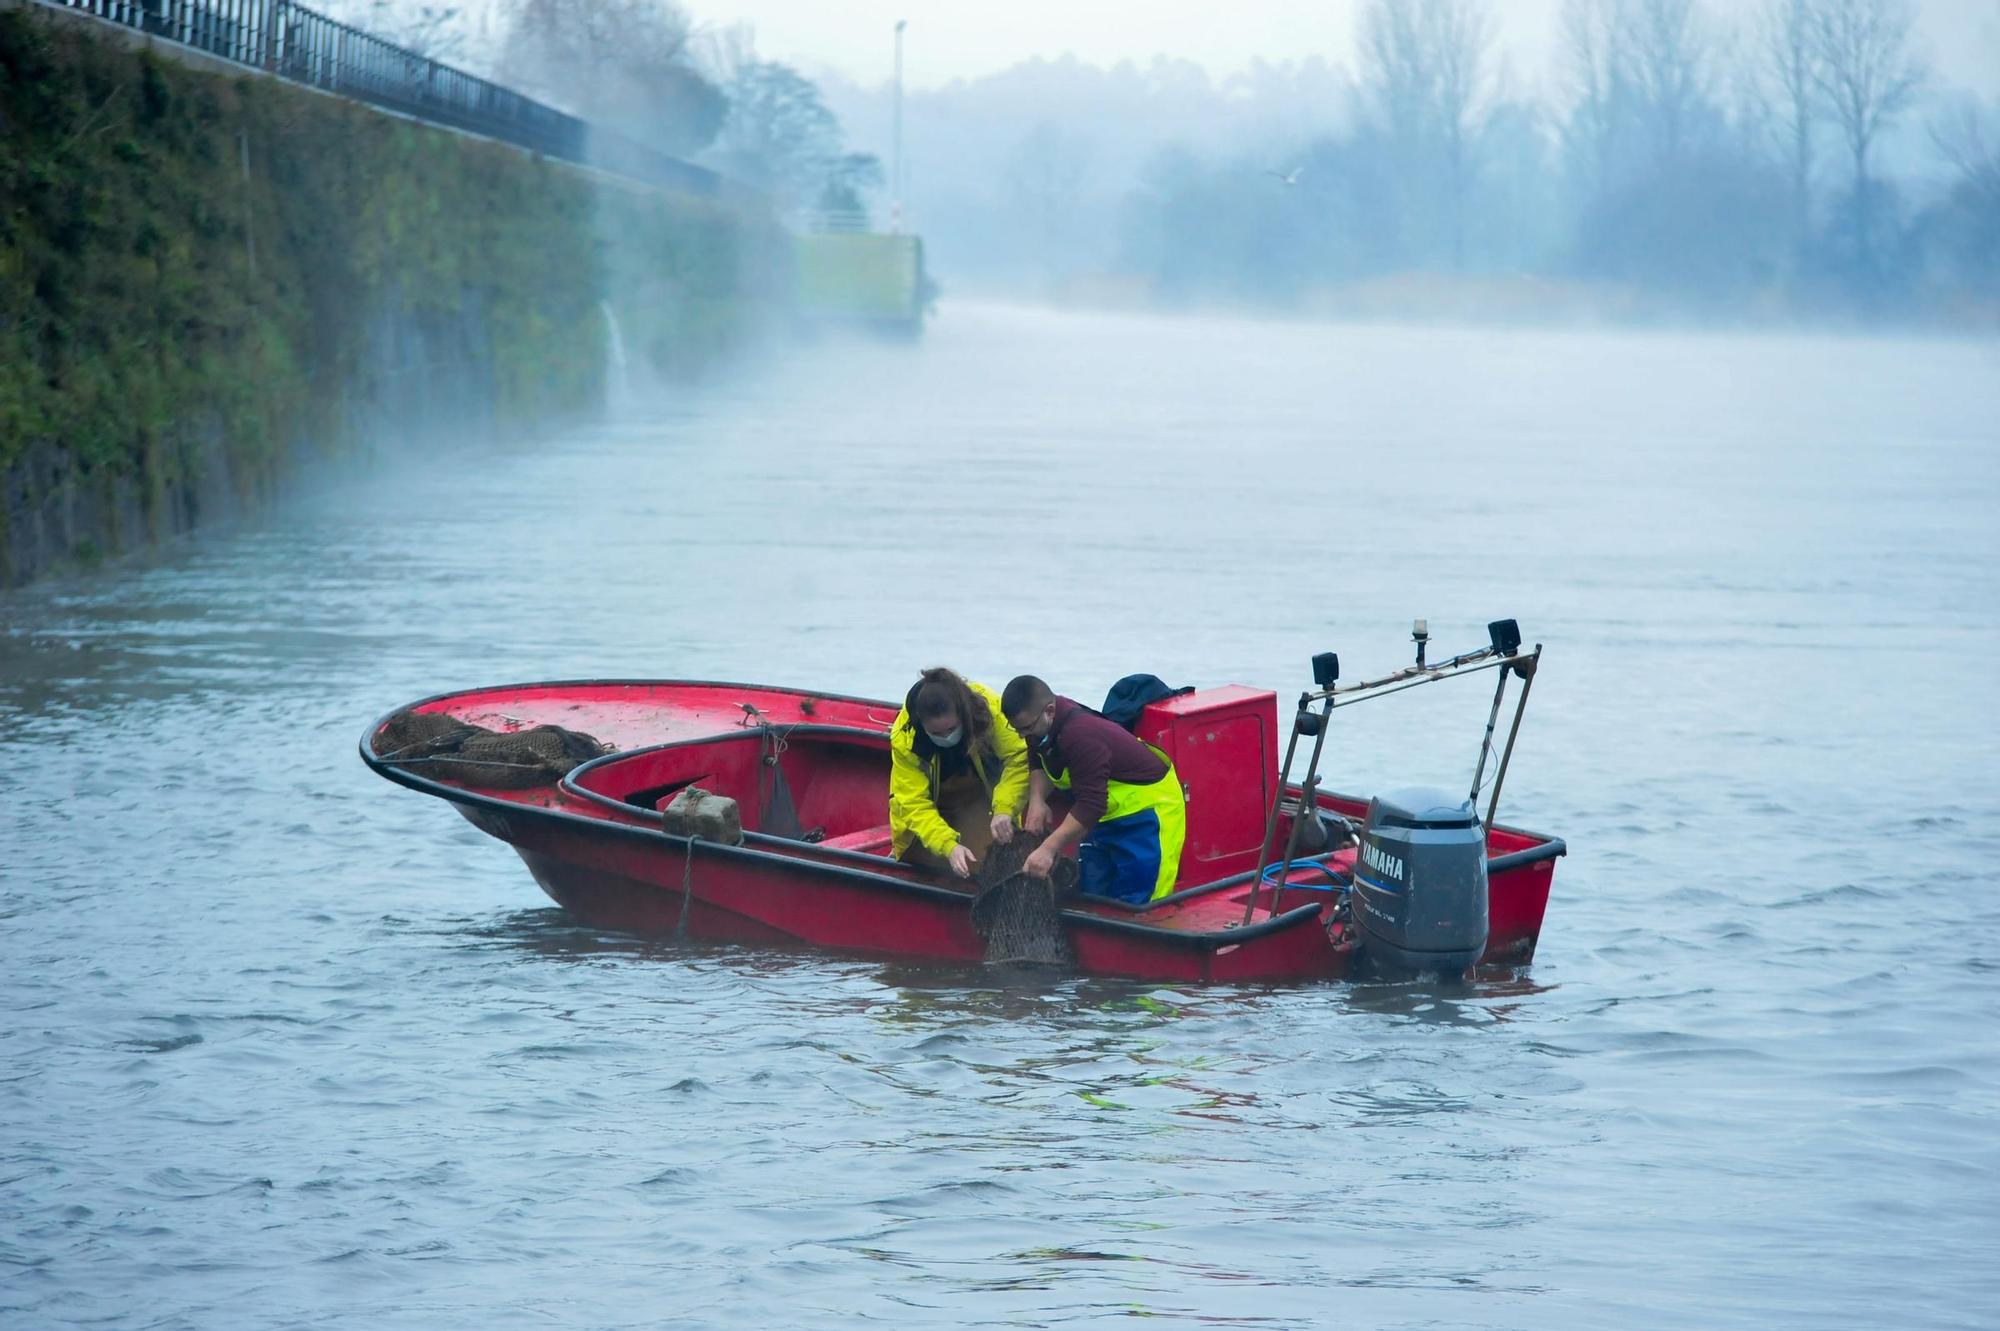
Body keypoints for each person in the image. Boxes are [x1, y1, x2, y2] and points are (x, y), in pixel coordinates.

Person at [1001, 674, 1186, 904]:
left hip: (1148, 812)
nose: (1021, 735)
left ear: (1049, 710)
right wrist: (1037, 800)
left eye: (1026, 728)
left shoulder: (1080, 736)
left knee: (1139, 900)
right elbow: (1037, 757)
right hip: (1105, 814)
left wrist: (1047, 849)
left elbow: (1091, 804)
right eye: (1016, 729)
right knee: (1092, 892)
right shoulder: (1039, 727)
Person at [890, 667, 1030, 879]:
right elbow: (912, 802)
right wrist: (949, 845)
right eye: (935, 733)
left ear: (963, 715)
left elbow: (1019, 758)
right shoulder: (905, 737)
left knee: (987, 866)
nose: (945, 737)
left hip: (980, 800)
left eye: (951, 729)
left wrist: (1005, 808)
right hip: (933, 807)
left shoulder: (989, 709)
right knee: (930, 868)